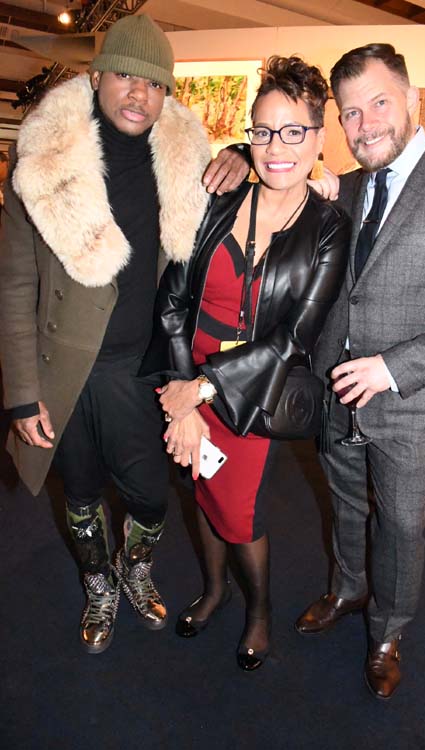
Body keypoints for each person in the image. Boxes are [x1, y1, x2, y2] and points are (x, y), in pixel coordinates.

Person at [0, 14, 249, 654]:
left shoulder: (189, 164)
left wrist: (243, 154)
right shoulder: (41, 162)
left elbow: (267, 198)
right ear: (97, 75)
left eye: (155, 84)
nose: (140, 94)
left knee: (150, 494)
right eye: (126, 77)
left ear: (168, 94)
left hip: (146, 370)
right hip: (68, 371)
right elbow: (14, 284)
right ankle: (98, 583)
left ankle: (133, 569)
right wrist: (23, 394)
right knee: (79, 490)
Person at [295, 44, 425, 699]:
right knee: (347, 508)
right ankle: (349, 590)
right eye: (350, 112)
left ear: (411, 99)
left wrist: (392, 367)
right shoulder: (345, 188)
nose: (365, 124)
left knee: (403, 528)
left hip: (409, 406)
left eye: (379, 103)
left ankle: (387, 631)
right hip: (335, 396)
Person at [142, 56, 350, 671]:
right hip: (185, 370)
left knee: (238, 510)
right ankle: (213, 590)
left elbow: (293, 337)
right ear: (249, 134)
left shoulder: (328, 226)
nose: (276, 146)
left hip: (251, 387)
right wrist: (181, 387)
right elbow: (173, 301)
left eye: (294, 132)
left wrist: (200, 393)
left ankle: (257, 613)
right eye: (262, 131)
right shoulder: (216, 199)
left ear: (318, 136)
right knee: (197, 490)